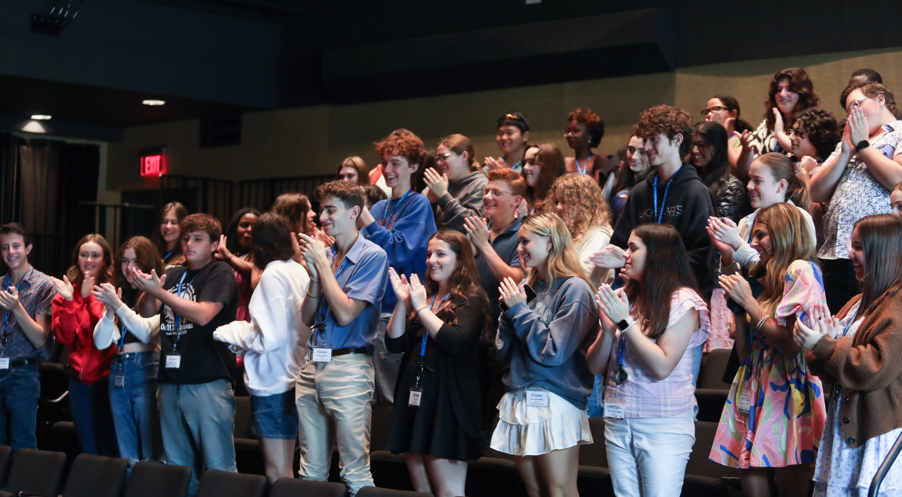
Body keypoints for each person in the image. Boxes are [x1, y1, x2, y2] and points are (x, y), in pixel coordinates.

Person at [710, 203, 827, 497]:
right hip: (754, 380)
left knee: (790, 478)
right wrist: (739, 309)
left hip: (788, 386)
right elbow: (744, 354)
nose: (751, 244)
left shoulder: (801, 269)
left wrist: (749, 303)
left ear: (783, 234)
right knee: (747, 466)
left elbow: (790, 347)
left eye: (760, 235)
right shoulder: (767, 276)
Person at [587, 223, 710, 497]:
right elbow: (594, 366)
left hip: (662, 424)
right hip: (618, 418)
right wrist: (607, 331)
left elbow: (662, 366)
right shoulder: (623, 297)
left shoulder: (683, 301)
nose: (625, 254)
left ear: (657, 254)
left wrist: (625, 322)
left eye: (633, 248)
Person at [126, 213, 240, 496]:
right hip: (169, 381)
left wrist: (160, 293)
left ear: (214, 244)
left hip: (207, 381)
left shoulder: (219, 272)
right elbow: (146, 311)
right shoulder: (174, 272)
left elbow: (203, 315)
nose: (189, 243)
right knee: (179, 470)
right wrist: (150, 289)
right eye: (187, 238)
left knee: (219, 469)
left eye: (198, 239)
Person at [492, 212, 599, 497]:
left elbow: (553, 351)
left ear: (550, 242)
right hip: (519, 396)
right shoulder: (527, 289)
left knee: (560, 491)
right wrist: (508, 312)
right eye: (518, 241)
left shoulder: (574, 289)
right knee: (534, 490)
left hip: (557, 400)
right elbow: (502, 349)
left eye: (526, 241)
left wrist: (518, 312)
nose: (519, 248)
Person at [795, 214, 902, 497]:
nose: (850, 254)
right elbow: (823, 363)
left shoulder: (899, 303)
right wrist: (821, 342)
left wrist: (827, 344)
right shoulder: (859, 301)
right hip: (846, 429)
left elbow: (875, 367)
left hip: (875, 433)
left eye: (858, 247)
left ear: (882, 252)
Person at [296, 180, 389, 497]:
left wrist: (322, 266)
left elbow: (347, 313)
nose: (322, 217)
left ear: (355, 212)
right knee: (310, 472)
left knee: (354, 471)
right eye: (321, 210)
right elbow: (306, 317)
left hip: (348, 369)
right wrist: (314, 278)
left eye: (330, 210)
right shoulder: (328, 254)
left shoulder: (372, 256)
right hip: (311, 368)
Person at [384, 230, 489, 497]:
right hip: (416, 396)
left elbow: (456, 342)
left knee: (448, 492)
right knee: (421, 491)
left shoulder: (471, 298)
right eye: (429, 253)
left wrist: (420, 310)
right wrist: (403, 302)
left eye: (441, 254)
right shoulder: (425, 296)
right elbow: (395, 344)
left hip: (448, 400)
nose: (432, 260)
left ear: (460, 260)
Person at [213, 213, 311, 484]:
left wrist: (230, 331)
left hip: (273, 382)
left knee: (276, 473)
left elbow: (271, 336)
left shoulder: (273, 274)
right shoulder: (297, 270)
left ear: (259, 243)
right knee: (284, 470)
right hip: (291, 377)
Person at [595, 105, 717, 300]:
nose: (647, 147)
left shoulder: (697, 193)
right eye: (645, 140)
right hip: (640, 299)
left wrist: (646, 263)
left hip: (679, 302)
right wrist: (623, 257)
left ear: (677, 140)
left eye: (654, 139)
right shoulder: (640, 192)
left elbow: (703, 260)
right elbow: (620, 245)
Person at [708, 153, 816, 354]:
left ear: (780, 186)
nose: (749, 186)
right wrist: (728, 255)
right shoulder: (746, 222)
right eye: (749, 179)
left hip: (775, 326)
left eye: (757, 181)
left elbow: (782, 269)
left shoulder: (799, 219)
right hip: (752, 328)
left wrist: (737, 244)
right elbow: (741, 278)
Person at [809, 81, 902, 314]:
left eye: (857, 105)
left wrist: (862, 145)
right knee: (839, 321)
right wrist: (846, 151)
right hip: (835, 250)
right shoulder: (850, 139)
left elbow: (898, 179)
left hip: (877, 249)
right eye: (848, 110)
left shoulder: (899, 131)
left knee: (874, 319)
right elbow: (815, 192)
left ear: (880, 99)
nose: (853, 114)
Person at [360, 129, 437, 406]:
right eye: (385, 162)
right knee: (371, 395)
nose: (388, 169)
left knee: (392, 393)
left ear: (414, 167)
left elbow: (398, 251)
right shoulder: (381, 206)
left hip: (397, 313)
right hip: (369, 310)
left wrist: (365, 217)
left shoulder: (418, 204)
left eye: (396, 163)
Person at [92, 236, 165, 465]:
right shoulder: (120, 293)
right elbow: (101, 342)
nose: (130, 267)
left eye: (136, 261)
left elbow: (147, 332)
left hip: (146, 367)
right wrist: (109, 311)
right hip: (119, 368)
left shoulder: (156, 291)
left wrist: (119, 306)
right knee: (127, 452)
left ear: (148, 262)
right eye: (124, 260)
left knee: (151, 448)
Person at [464, 168, 526, 430]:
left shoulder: (523, 234)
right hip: (471, 334)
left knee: (496, 412)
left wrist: (484, 246)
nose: (488, 196)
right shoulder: (479, 232)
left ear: (516, 201)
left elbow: (515, 279)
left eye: (496, 192)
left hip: (502, 338)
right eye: (486, 191)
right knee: (471, 409)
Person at [51, 234, 119, 456]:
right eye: (84, 254)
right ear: (77, 258)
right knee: (88, 448)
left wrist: (90, 297)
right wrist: (71, 300)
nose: (89, 260)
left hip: (108, 379)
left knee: (110, 446)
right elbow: (65, 338)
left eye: (95, 255)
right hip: (79, 381)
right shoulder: (65, 292)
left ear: (104, 260)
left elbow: (107, 338)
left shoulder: (113, 290)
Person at [0, 223, 54, 450]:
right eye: (5, 247)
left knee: (22, 444)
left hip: (23, 372)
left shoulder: (43, 285)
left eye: (16, 246)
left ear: (28, 248)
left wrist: (16, 307)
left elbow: (41, 338)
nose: (10, 252)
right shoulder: (1, 284)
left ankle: (23, 487)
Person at [214, 208, 260, 395]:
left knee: (242, 385)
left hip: (247, 320)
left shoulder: (261, 257)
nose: (248, 230)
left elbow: (257, 274)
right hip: (224, 318)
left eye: (254, 226)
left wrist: (229, 258)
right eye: (244, 225)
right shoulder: (221, 254)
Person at [740, 68, 820, 177]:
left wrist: (779, 134)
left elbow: (807, 153)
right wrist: (746, 151)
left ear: (802, 93)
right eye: (779, 89)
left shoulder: (812, 122)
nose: (782, 94)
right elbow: (747, 170)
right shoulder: (767, 124)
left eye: (790, 90)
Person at [547, 174, 614, 288]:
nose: (558, 207)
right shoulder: (565, 232)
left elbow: (578, 278)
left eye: (565, 202)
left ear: (584, 204)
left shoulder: (599, 236)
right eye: (556, 202)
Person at [424, 134, 488, 233]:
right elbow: (432, 227)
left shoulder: (481, 185)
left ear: (464, 156)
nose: (439, 163)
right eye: (438, 158)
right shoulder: (446, 184)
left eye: (444, 157)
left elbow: (473, 225)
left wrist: (444, 197)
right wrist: (431, 203)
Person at [690, 121, 750, 222]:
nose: (694, 150)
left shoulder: (731, 186)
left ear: (718, 147)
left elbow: (719, 228)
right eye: (693, 144)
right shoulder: (687, 176)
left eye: (701, 145)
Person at [702, 95, 754, 171]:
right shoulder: (704, 141)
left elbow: (740, 171)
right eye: (707, 112)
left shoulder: (743, 138)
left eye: (716, 109)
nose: (709, 115)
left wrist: (723, 135)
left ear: (733, 114)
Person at [609, 135, 653, 222]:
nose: (634, 157)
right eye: (631, 150)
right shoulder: (621, 179)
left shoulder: (653, 189)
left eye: (642, 152)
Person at [563, 108, 611, 183]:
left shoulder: (599, 160)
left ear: (590, 134)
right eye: (568, 131)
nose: (569, 135)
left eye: (575, 131)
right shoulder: (564, 162)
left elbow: (597, 192)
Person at [522, 142, 566, 214]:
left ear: (548, 167)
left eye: (532, 163)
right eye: (524, 163)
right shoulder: (522, 195)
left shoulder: (559, 203)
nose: (525, 167)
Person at [152, 201, 188, 267]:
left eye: (174, 222)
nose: (168, 226)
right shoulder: (151, 252)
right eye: (164, 222)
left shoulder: (187, 257)